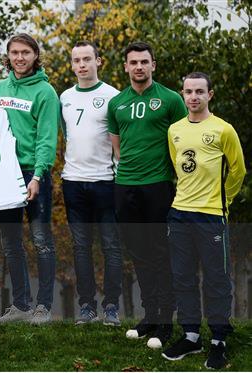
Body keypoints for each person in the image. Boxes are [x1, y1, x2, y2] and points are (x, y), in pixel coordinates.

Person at [161, 72, 246, 369]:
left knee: (216, 279)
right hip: (179, 212)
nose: (193, 96)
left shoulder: (224, 130)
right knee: (182, 277)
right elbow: (177, 165)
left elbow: (238, 171)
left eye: (199, 91)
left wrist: (225, 201)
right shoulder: (174, 130)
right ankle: (192, 335)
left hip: (211, 216)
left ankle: (218, 340)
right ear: (182, 95)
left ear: (210, 95)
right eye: (188, 91)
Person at [107, 41, 187, 348]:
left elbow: (183, 139)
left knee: (160, 253)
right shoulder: (117, 103)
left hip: (159, 185)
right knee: (138, 254)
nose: (139, 67)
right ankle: (149, 315)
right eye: (133, 62)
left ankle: (166, 321)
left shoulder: (170, 100)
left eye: (144, 62)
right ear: (126, 67)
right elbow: (117, 146)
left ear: (153, 65)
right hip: (125, 185)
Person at [0, 33, 60, 324]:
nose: (19, 58)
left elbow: (46, 138)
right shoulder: (1, 88)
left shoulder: (46, 92)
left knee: (41, 240)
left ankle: (43, 307)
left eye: (25, 52)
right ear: (8, 56)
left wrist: (39, 175)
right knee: (11, 243)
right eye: (15, 52)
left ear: (35, 56)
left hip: (33, 174)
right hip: (4, 173)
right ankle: (20, 306)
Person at [60, 41, 122, 326]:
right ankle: (87, 306)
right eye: (76, 60)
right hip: (73, 182)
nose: (82, 65)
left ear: (99, 61)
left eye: (87, 59)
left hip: (105, 182)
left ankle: (111, 306)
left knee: (110, 246)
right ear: (71, 64)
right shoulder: (65, 97)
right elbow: (66, 136)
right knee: (81, 246)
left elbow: (119, 142)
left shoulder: (113, 96)